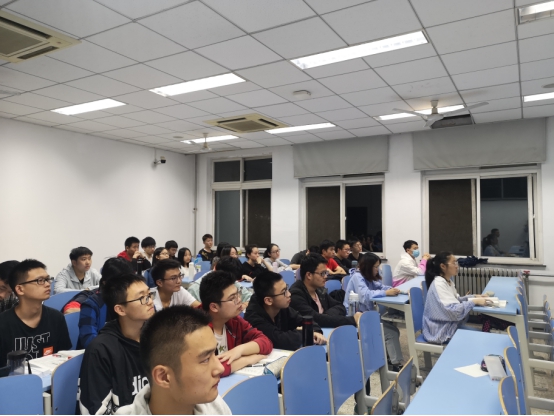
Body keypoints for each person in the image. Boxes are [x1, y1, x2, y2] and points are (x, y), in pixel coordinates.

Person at [114, 306, 231, 415]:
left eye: (215, 353)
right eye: (205, 360)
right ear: (164, 377)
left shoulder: (214, 406)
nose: (220, 368)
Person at [79, 273, 156, 415]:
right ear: (120, 309)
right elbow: (97, 410)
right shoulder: (101, 350)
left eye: (149, 295)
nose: (150, 301)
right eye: (142, 298)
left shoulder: (157, 336)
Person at [0, 259, 71, 367]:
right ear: (20, 289)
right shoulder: (3, 324)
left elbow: (63, 360)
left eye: (48, 279)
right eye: (40, 280)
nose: (48, 284)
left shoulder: (56, 318)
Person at [200, 271, 272, 376]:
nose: (239, 300)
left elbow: (266, 342)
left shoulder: (234, 320)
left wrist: (239, 350)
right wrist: (245, 360)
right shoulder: (196, 329)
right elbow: (207, 371)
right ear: (214, 307)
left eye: (238, 294)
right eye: (232, 298)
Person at [343, 253, 404, 371]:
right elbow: (365, 295)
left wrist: (393, 290)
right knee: (391, 332)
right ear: (368, 266)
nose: (377, 270)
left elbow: (380, 286)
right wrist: (385, 293)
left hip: (366, 315)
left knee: (392, 329)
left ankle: (390, 358)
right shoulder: (357, 277)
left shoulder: (367, 277)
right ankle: (396, 364)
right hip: (355, 318)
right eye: (376, 267)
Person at [244, 271, 326, 350]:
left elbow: (307, 322)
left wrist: (314, 332)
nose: (289, 294)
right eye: (284, 292)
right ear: (268, 300)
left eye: (287, 288)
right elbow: (280, 340)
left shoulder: (281, 307)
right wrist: (307, 333)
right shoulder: (253, 319)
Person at [422, 252, 487, 344]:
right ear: (443, 266)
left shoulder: (447, 281)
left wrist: (474, 297)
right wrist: (474, 301)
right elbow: (453, 312)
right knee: (480, 338)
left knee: (481, 335)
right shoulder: (439, 284)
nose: (457, 266)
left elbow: (456, 300)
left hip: (448, 325)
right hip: (441, 331)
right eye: (454, 263)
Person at [77, 257, 133, 349]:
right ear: (105, 283)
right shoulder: (92, 305)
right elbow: (89, 341)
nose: (125, 287)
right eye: (120, 283)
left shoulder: (133, 301)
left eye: (128, 283)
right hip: (101, 354)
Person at [291, 254, 361, 328]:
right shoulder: (295, 295)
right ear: (309, 275)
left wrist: (326, 316)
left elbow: (340, 306)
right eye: (322, 273)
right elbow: (315, 319)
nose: (326, 276)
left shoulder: (319, 290)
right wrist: (353, 320)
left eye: (326, 273)